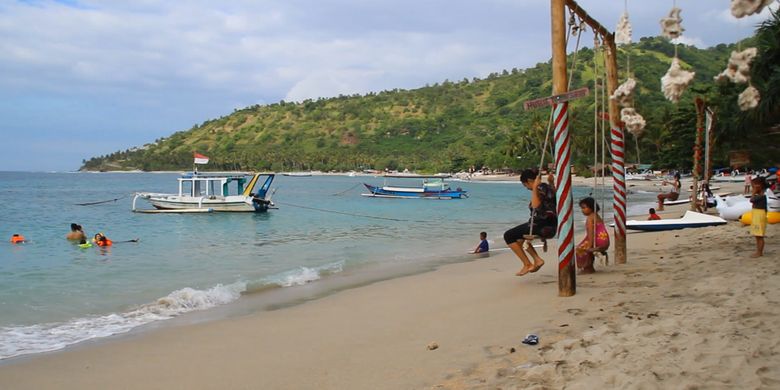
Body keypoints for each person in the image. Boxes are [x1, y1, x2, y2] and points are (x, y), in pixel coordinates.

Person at [503, 168, 557, 276]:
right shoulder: (547, 187)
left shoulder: (539, 188)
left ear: (528, 181)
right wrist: (551, 182)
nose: (526, 188)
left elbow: (535, 207)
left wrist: (535, 190)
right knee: (518, 241)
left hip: (541, 225)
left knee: (508, 235)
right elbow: (553, 197)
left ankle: (527, 264)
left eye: (525, 185)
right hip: (552, 224)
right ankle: (537, 260)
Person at [575, 197, 610, 274]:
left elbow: (591, 233)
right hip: (604, 240)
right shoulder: (596, 215)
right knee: (583, 247)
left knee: (579, 249)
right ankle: (589, 266)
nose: (582, 210)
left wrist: (590, 245)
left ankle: (586, 267)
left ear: (591, 207)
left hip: (598, 241)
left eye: (584, 208)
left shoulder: (590, 218)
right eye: (581, 208)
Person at [750, 177, 768, 258]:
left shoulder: (761, 196)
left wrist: (753, 192)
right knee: (757, 235)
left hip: (759, 215)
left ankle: (759, 252)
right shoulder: (760, 195)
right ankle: (758, 251)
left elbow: (751, 200)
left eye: (753, 186)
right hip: (757, 214)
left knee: (759, 235)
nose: (752, 188)